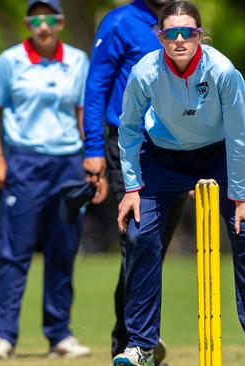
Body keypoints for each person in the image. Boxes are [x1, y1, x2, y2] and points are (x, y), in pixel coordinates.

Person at [114, 2, 245, 366]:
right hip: (161, 156)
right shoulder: (145, 72)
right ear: (158, 36)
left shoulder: (222, 71)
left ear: (199, 36)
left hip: (218, 153)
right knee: (139, 236)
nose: (179, 40)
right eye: (170, 33)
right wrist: (132, 190)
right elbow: (128, 129)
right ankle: (142, 345)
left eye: (187, 33)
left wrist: (241, 198)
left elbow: (239, 135)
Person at [0, 0, 106, 359]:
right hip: (24, 163)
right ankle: (3, 336)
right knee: (14, 252)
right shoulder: (11, 60)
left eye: (50, 19)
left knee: (63, 250)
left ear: (61, 23)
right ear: (27, 24)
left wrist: (93, 161)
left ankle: (59, 335)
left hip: (68, 163)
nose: (43, 26)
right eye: (36, 20)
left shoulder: (77, 60)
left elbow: (84, 111)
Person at [82, 1, 186, 363]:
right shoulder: (120, 22)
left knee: (152, 252)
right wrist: (93, 147)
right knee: (138, 243)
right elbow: (96, 87)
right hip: (129, 147)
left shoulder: (182, 21)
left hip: (177, 149)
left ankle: (134, 339)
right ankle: (133, 343)